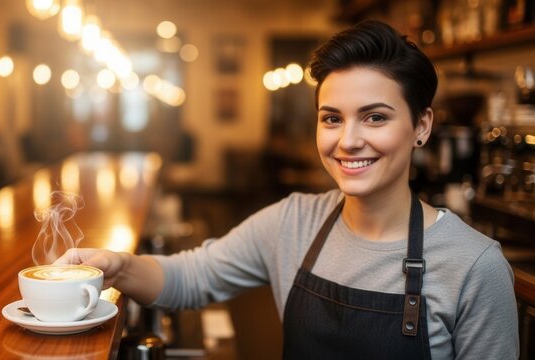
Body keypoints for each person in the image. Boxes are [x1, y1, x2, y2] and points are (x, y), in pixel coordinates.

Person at [57, 20, 519, 359]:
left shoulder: (474, 265)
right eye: (332, 118)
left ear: (421, 126)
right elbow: (191, 278)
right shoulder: (294, 221)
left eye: (375, 117)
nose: (348, 140)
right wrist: (116, 266)